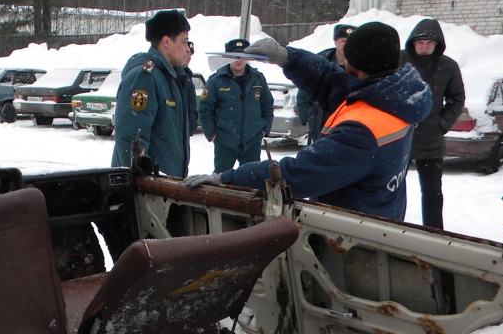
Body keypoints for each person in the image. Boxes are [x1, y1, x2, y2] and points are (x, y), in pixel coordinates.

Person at [185, 22, 432, 221]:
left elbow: (296, 175)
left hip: (355, 236)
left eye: (347, 59)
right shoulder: (393, 96)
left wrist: (226, 179)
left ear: (357, 67)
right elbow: (329, 79)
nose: (341, 64)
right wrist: (286, 57)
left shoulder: (363, 130)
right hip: (378, 213)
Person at [399, 18, 465, 229]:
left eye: (429, 43)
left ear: (437, 44)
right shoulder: (400, 61)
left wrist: (442, 124)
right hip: (399, 137)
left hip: (431, 140)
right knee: (393, 189)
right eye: (420, 43)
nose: (424, 47)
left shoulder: (448, 66)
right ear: (413, 43)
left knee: (432, 193)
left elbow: (457, 98)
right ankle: (391, 227)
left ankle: (434, 232)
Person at [111, 9, 193, 177]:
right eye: (184, 41)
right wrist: (142, 182)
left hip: (168, 185)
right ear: (166, 42)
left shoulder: (173, 77)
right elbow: (131, 138)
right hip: (149, 189)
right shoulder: (145, 78)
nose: (187, 49)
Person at [199, 38, 274, 170]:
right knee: (221, 181)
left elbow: (267, 105)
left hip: (252, 142)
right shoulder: (216, 80)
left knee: (250, 181)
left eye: (242, 56)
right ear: (227, 57)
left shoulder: (258, 78)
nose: (239, 60)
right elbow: (205, 109)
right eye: (234, 56)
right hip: (225, 141)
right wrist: (212, 134)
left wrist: (263, 130)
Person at [296, 23, 356, 144]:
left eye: (351, 41)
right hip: (321, 122)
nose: (347, 44)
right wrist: (308, 117)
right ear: (335, 42)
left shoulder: (361, 66)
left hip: (349, 123)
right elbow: (304, 92)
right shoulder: (321, 64)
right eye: (343, 41)